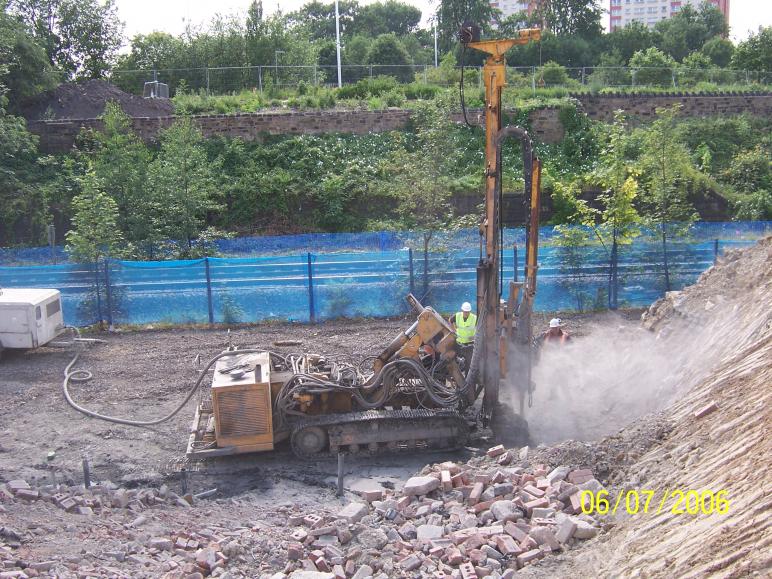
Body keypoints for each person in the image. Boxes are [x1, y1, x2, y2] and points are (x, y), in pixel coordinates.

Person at [450, 302, 477, 371]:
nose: (466, 313)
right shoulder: (457, 316)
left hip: (469, 344)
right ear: (462, 310)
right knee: (455, 360)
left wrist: (475, 336)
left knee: (469, 363)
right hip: (459, 342)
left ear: (470, 311)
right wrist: (453, 330)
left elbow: (479, 328)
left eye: (467, 312)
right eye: (465, 312)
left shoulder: (474, 318)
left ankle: (467, 378)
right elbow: (450, 320)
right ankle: (456, 375)